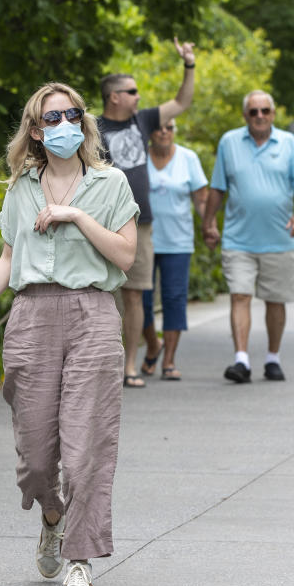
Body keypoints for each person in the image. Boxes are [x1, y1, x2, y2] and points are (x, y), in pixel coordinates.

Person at [0, 82, 138, 586]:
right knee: (36, 458)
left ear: (84, 122)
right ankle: (52, 516)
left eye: (72, 115)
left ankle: (79, 563)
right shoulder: (21, 188)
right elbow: (9, 258)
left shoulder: (110, 183)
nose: (64, 126)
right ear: (35, 130)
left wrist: (77, 216)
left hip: (93, 315)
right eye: (52, 119)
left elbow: (125, 257)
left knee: (86, 450)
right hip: (32, 316)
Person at [98, 37, 197, 388]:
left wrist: (189, 64)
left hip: (139, 225)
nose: (139, 95)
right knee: (104, 295)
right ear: (115, 96)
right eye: (132, 90)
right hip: (101, 227)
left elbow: (182, 102)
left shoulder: (144, 120)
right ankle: (102, 366)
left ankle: (130, 366)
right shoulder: (90, 130)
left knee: (136, 294)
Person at [203, 90, 294, 383]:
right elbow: (218, 187)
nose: (260, 116)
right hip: (239, 239)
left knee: (275, 301)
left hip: (279, 237)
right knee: (239, 295)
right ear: (245, 116)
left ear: (273, 114)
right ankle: (241, 360)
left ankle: (273, 358)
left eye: (265, 111)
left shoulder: (289, 143)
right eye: (254, 112)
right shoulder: (230, 142)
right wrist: (208, 222)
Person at [139, 119, 208, 380]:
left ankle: (169, 360)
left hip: (179, 241)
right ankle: (153, 345)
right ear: (150, 132)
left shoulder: (188, 158)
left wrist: (208, 226)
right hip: (144, 240)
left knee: (175, 299)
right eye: (158, 127)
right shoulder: (139, 159)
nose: (164, 132)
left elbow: (201, 199)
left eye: (170, 127)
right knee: (142, 301)